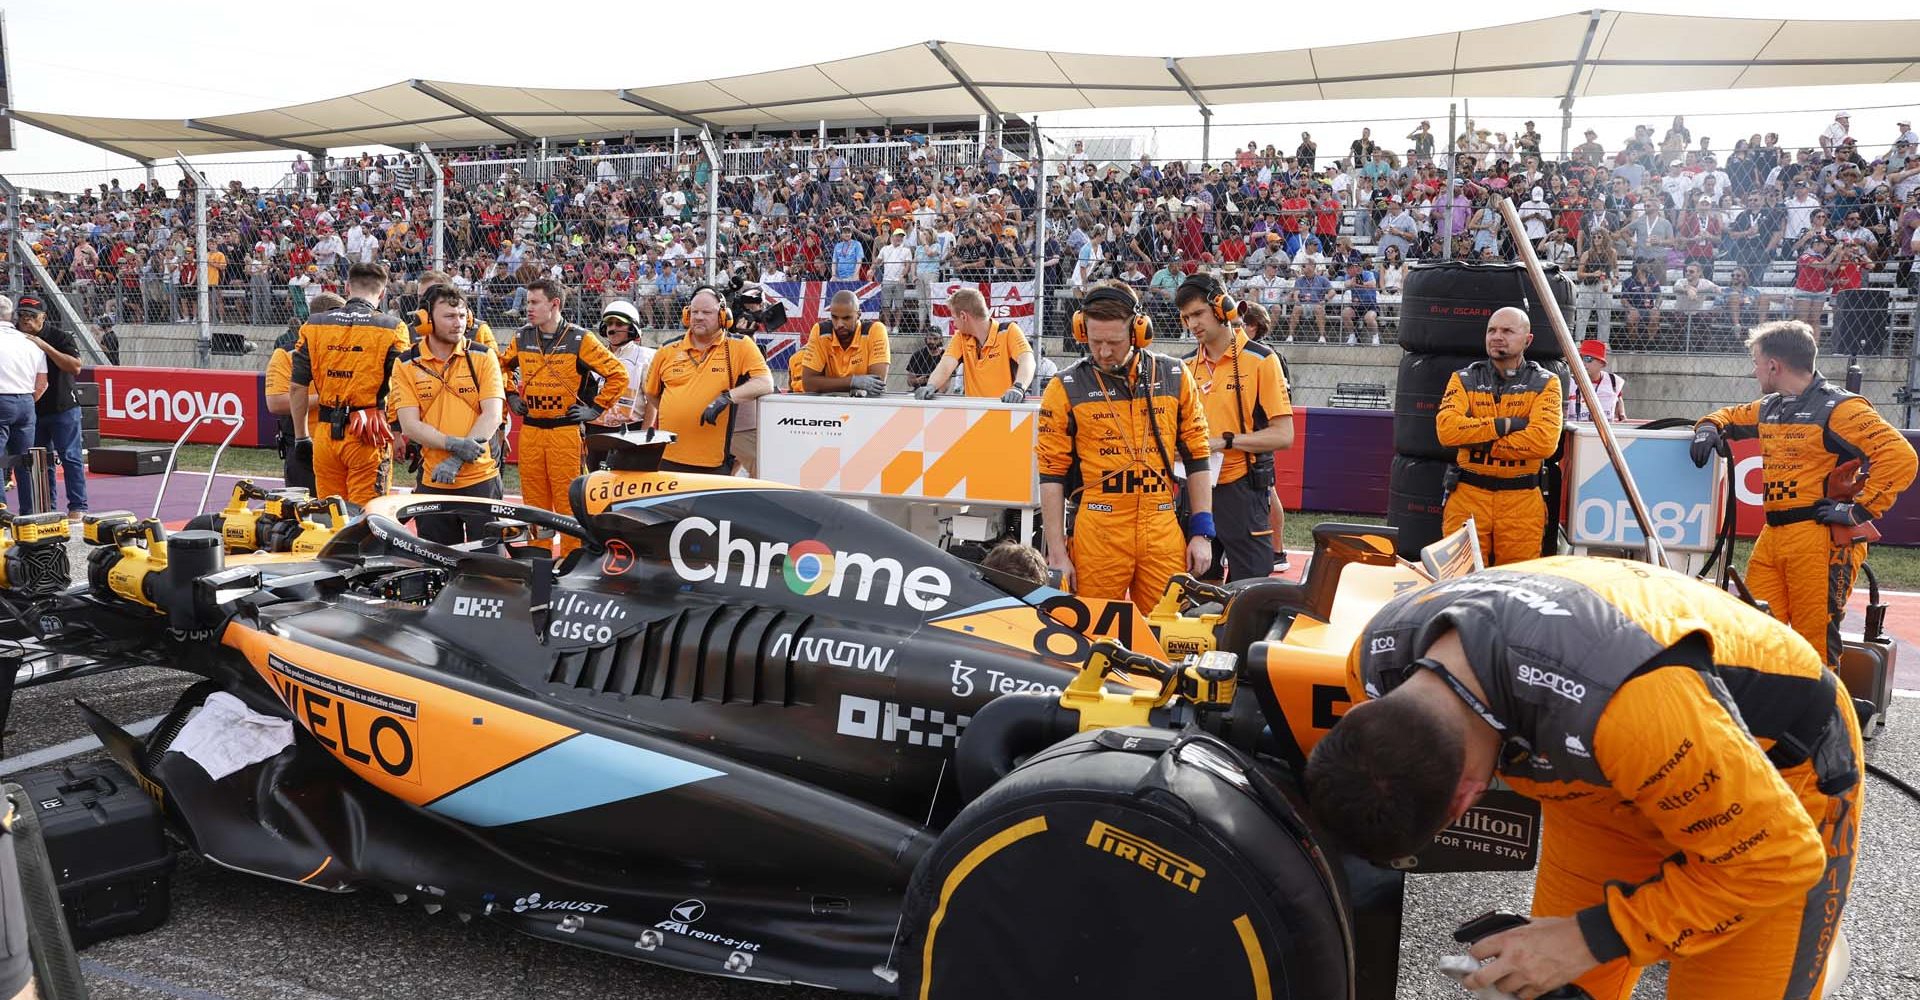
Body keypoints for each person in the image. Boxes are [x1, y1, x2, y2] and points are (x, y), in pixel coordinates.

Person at [1306, 558, 1864, 1000]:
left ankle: (1813, 947)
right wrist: (1577, 948)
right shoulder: (1373, 661)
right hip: (1598, 776)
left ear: (1465, 798)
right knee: (1558, 981)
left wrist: (1588, 937)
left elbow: (1779, 860)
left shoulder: (1633, 710)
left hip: (1768, 788)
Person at [1691, 321, 1916, 666]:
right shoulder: (1771, 406)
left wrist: (1859, 511)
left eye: (1756, 362)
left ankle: (1823, 720)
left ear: (1774, 365)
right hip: (1774, 536)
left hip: (1819, 540)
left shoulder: (1842, 408)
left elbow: (1900, 456)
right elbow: (1727, 417)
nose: (1755, 371)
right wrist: (1707, 428)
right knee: (1758, 634)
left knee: (1814, 647)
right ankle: (1771, 715)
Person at [1037, 280, 1214, 611]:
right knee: (1092, 633)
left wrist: (1202, 533)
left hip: (1161, 527)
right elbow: (1051, 473)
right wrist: (1058, 551)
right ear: (1080, 331)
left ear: (1138, 332)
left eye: (1114, 342)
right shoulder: (1064, 386)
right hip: (1098, 531)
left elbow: (1198, 455)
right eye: (1094, 341)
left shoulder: (1175, 375)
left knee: (1166, 632)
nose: (1103, 352)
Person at [500, 279, 629, 551]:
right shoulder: (522, 336)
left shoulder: (580, 339)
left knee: (568, 501)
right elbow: (500, 367)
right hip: (532, 431)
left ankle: (573, 562)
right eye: (528, 303)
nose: (528, 309)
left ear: (554, 304)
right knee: (534, 502)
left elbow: (618, 375)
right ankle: (539, 558)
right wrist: (511, 394)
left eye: (534, 303)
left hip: (564, 433)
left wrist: (595, 409)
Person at [1177, 276, 1291, 582]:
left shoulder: (1262, 360)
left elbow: (1283, 435)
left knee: (1248, 591)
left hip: (1243, 489)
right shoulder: (1185, 365)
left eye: (1198, 314)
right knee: (1196, 589)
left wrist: (1223, 442)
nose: (1193, 324)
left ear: (1222, 307)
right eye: (1186, 318)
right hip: (1194, 489)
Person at [1435, 306, 1563, 565]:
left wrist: (1479, 442)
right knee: (1460, 580)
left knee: (1516, 586)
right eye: (1491, 330)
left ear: (1527, 340)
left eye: (1507, 330)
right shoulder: (1463, 378)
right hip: (1467, 496)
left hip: (1522, 501)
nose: (1496, 336)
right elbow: (1447, 431)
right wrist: (1507, 425)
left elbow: (1544, 442)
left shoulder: (1547, 382)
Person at [389, 285, 506, 545]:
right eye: (449, 316)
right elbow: (410, 425)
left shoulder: (483, 356)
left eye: (463, 316)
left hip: (481, 481)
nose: (459, 323)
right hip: (432, 483)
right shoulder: (406, 363)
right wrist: (452, 443)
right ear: (426, 320)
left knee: (489, 570)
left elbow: (492, 415)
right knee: (439, 568)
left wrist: (456, 459)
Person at [290, 263, 407, 506]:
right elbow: (400, 387)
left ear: (346, 288)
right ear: (383, 293)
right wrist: (399, 432)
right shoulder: (393, 328)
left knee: (330, 515)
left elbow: (297, 387)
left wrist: (301, 437)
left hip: (324, 433)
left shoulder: (314, 324)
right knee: (368, 516)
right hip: (368, 431)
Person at [641, 285, 774, 474]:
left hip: (712, 461)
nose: (699, 317)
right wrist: (680, 410)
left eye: (706, 312)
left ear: (722, 316)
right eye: (694, 312)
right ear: (687, 315)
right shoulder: (667, 350)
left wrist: (726, 398)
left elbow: (764, 382)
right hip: (669, 456)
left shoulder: (739, 346)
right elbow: (651, 393)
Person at [16, 298, 85, 518]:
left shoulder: (59, 336)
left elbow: (75, 367)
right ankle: (47, 507)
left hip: (63, 406)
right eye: (22, 315)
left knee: (70, 457)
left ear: (43, 317)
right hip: (32, 409)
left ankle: (78, 506)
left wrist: (44, 346)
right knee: (39, 461)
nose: (26, 320)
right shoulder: (15, 337)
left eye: (31, 315)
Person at [913, 288, 1035, 403]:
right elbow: (945, 365)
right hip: (974, 412)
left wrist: (1018, 387)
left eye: (954, 318)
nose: (954, 324)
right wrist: (931, 386)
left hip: (1005, 409)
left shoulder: (1008, 331)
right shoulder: (961, 337)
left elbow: (1027, 360)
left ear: (963, 316)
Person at [584, 300, 654, 472]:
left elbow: (651, 401)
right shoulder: (593, 354)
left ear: (632, 328)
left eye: (619, 324)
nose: (612, 328)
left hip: (629, 431)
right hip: (595, 431)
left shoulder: (645, 357)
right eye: (609, 323)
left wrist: (643, 436)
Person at [795, 291, 889, 396]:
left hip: (866, 404)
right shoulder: (820, 331)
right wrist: (852, 382)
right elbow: (809, 384)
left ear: (858, 315)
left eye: (846, 318)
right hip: (830, 403)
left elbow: (876, 384)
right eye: (834, 317)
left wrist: (831, 385)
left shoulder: (875, 330)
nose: (839, 324)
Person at [1566, 339, 1625, 422]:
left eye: (1588, 359)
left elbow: (1618, 398)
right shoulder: (1569, 382)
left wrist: (1622, 414)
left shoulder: (1613, 380)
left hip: (1604, 432)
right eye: (1580, 358)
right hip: (1577, 431)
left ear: (1602, 363)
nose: (1582, 363)